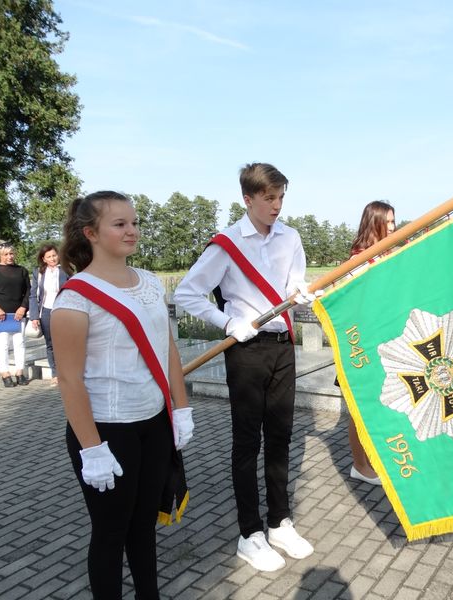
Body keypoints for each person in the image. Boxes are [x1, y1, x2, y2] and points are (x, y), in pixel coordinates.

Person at [51, 191, 194, 599]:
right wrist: (91, 449)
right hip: (106, 431)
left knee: (144, 527)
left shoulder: (148, 282)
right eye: (119, 224)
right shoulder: (75, 298)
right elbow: (70, 380)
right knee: (111, 534)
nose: (131, 230)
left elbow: (166, 349)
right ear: (91, 233)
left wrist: (180, 409)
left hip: (153, 422)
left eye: (134, 222)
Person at [174, 163, 316, 572]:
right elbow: (187, 292)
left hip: (282, 345)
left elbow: (293, 287)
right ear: (248, 199)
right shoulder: (226, 244)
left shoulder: (291, 237)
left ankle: (279, 522)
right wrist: (226, 322)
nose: (276, 205)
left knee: (281, 437)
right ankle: (249, 533)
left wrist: (300, 296)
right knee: (247, 443)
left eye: (281, 197)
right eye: (269, 198)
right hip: (246, 349)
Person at [346, 201, 396, 485]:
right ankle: (360, 466)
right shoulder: (359, 260)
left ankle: (373, 459)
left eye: (393, 221)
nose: (393, 227)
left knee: (378, 404)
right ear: (374, 223)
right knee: (359, 408)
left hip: (385, 341)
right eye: (388, 222)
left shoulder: (387, 255)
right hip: (363, 343)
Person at [0, 242, 31, 387]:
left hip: (18, 313)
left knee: (19, 343)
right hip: (0, 314)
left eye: (11, 253)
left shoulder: (21, 270)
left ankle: (20, 372)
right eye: (6, 254)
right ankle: (4, 372)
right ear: (0, 255)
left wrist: (23, 307)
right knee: (3, 344)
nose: (10, 257)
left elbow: (29, 291)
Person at [29, 244, 69, 386]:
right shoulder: (38, 273)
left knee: (66, 343)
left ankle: (68, 372)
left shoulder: (66, 270)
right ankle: (55, 373)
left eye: (54, 255)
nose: (52, 259)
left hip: (63, 310)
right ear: (43, 259)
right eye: (49, 257)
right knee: (51, 344)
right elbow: (33, 295)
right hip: (45, 311)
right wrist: (34, 316)